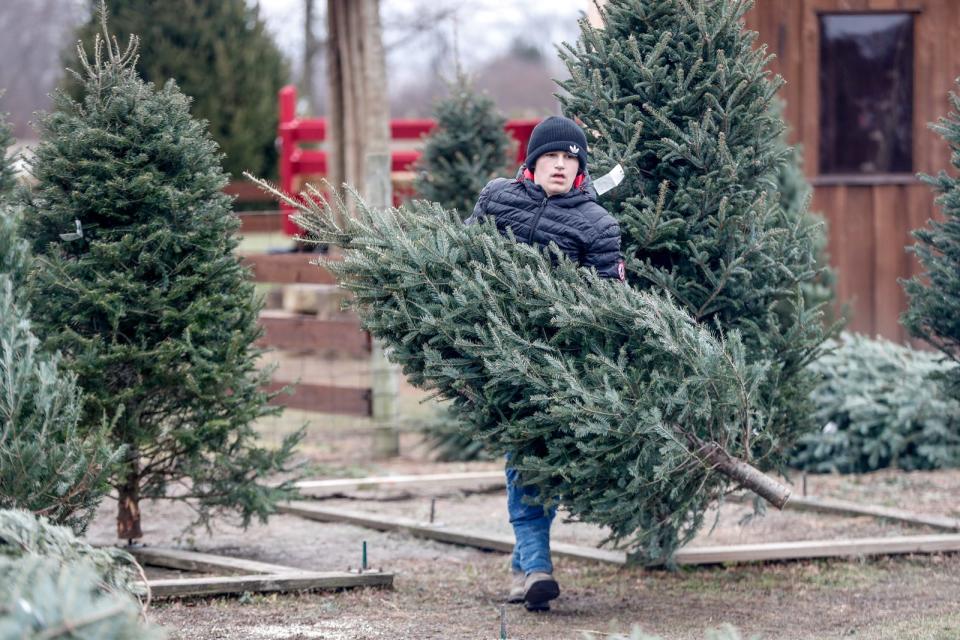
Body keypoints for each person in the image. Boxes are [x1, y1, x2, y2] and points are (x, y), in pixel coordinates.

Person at [466, 115, 624, 611]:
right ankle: (532, 565)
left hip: (558, 365)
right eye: (551, 156)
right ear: (532, 163)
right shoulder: (496, 198)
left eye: (570, 158)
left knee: (534, 457)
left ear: (580, 169)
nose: (560, 165)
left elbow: (610, 298)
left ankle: (529, 567)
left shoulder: (598, 225)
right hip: (498, 354)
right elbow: (460, 258)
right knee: (524, 453)